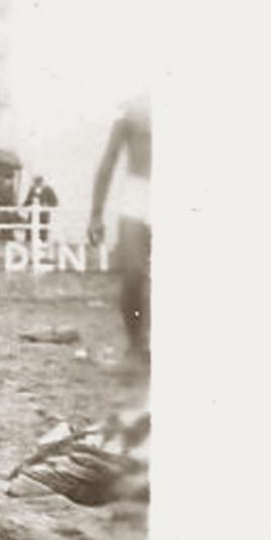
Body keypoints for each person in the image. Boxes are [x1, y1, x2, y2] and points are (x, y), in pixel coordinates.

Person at [88, 97, 152, 364]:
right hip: (138, 194)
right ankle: (136, 343)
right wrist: (95, 215)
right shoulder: (130, 117)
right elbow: (107, 164)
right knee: (134, 272)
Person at [24, 174, 59, 243]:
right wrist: (23, 206)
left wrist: (47, 205)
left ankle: (42, 246)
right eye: (36, 182)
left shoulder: (48, 190)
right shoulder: (32, 189)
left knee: (42, 233)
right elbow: (28, 201)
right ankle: (30, 246)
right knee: (30, 232)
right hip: (32, 215)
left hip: (43, 216)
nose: (37, 183)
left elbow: (55, 202)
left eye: (39, 181)